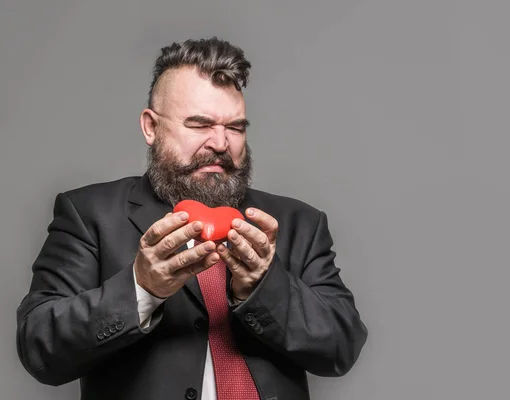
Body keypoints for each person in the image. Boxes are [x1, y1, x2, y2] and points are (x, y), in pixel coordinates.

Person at [16, 37, 368, 400]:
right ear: (151, 127)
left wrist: (264, 286)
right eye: (200, 125)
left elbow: (341, 348)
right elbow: (39, 348)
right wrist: (141, 288)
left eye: (235, 127)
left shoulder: (298, 223)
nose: (220, 142)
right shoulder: (89, 214)